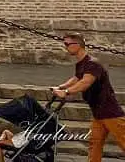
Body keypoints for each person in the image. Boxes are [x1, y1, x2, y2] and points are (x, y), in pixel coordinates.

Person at [53, 31, 125, 161]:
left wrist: (67, 92)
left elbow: (85, 82)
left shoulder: (93, 63)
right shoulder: (82, 63)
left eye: (67, 44)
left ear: (78, 44)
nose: (65, 47)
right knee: (94, 144)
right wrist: (61, 87)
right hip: (98, 112)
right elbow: (76, 78)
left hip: (110, 112)